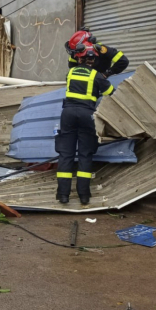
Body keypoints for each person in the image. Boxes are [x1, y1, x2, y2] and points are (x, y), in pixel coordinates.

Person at [56, 38, 115, 206]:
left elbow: (72, 66)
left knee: (66, 154)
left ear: (79, 58)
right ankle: (84, 196)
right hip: (87, 115)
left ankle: (63, 195)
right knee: (85, 154)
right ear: (93, 60)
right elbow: (111, 92)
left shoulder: (71, 73)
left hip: (67, 114)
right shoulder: (96, 75)